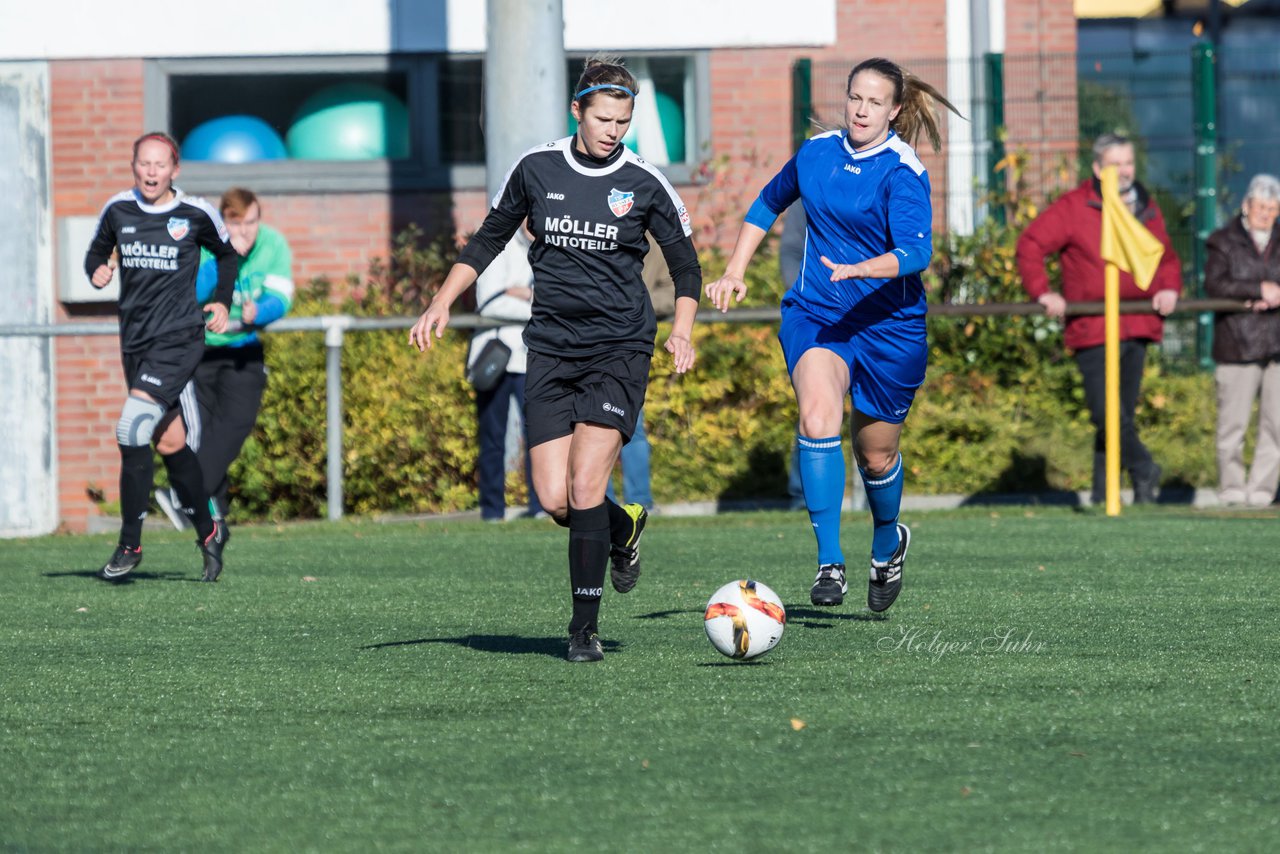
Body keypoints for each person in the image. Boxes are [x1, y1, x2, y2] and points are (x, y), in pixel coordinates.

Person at [410, 56, 701, 662]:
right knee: (556, 499)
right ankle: (624, 528)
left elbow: (685, 265)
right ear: (577, 110)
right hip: (549, 348)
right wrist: (441, 301)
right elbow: (489, 237)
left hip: (618, 347)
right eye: (603, 119)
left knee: (586, 483)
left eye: (623, 121)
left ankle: (582, 630)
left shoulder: (646, 181)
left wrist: (684, 329)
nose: (613, 131)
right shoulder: (536, 168)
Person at [706, 57, 959, 612]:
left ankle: (888, 540)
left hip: (888, 327)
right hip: (818, 314)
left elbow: (918, 252)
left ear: (894, 110)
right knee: (817, 414)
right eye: (854, 98)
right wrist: (734, 270)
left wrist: (867, 268)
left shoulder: (903, 170)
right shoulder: (817, 152)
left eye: (874, 102)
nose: (861, 110)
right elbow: (767, 202)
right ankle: (829, 564)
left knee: (876, 456)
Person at [83, 131, 236, 582]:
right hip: (136, 342)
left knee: (131, 428)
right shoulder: (118, 209)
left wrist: (222, 300)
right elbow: (96, 250)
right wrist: (98, 267)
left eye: (160, 165)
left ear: (175, 170)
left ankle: (130, 544)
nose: (151, 172)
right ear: (134, 167)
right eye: (143, 164)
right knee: (169, 442)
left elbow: (227, 256)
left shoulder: (193, 213)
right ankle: (209, 532)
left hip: (179, 339)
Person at [1016, 132, 1182, 505]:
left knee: (1119, 413)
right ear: (1096, 168)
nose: (1124, 171)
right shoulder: (1076, 205)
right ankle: (1143, 468)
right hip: (1093, 327)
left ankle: (1108, 490)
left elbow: (1166, 258)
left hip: (1138, 323)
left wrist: (1170, 287)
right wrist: (1043, 292)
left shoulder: (1145, 205)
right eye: (1115, 164)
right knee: (1104, 411)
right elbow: (1031, 243)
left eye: (1129, 163)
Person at [154, 187, 295, 532]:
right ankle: (210, 511)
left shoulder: (273, 244)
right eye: (236, 224)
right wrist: (225, 257)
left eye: (251, 223)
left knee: (234, 426)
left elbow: (282, 295)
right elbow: (193, 290)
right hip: (200, 351)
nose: (245, 231)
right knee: (200, 434)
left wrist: (260, 311)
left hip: (243, 351)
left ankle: (183, 496)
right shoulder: (205, 242)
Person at [1203, 173, 1280, 506]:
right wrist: (1255, 290)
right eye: (1260, 206)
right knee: (1232, 424)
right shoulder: (1223, 240)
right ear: (1246, 206)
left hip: (1277, 342)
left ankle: (1262, 490)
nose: (1265, 213)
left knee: (1276, 424)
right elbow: (1215, 285)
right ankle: (1232, 487)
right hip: (1236, 342)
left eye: (1272, 208)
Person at [469, 231, 543, 521]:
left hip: (531, 360)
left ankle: (540, 507)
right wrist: (536, 302)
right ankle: (491, 510)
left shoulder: (548, 244)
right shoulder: (498, 245)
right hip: (495, 358)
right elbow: (489, 303)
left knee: (538, 438)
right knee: (492, 439)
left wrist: (523, 293)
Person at [605, 234, 671, 511]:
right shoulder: (597, 230)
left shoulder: (656, 243)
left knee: (632, 427)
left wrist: (633, 301)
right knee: (589, 427)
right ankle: (598, 503)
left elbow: (671, 292)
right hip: (589, 338)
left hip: (632, 343)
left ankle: (640, 502)